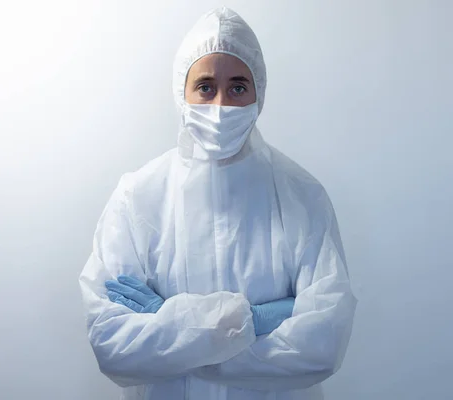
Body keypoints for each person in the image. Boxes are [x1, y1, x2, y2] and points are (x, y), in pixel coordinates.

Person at [79, 6, 357, 400]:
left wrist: (171, 327)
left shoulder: (301, 195)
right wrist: (254, 322)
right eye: (206, 86)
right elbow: (113, 346)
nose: (222, 103)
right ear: (183, 92)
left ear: (259, 92)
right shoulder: (138, 198)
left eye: (238, 86)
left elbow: (322, 346)